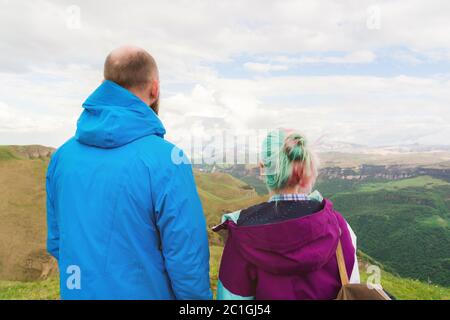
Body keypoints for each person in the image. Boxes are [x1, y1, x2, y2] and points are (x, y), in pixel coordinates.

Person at [46, 46, 212, 300]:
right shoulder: (168, 160)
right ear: (154, 89)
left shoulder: (62, 157)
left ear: (103, 84)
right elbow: (187, 260)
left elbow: (58, 242)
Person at [214, 129, 360, 300]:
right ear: (308, 169)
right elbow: (352, 288)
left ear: (263, 168)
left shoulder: (242, 236)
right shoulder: (340, 227)